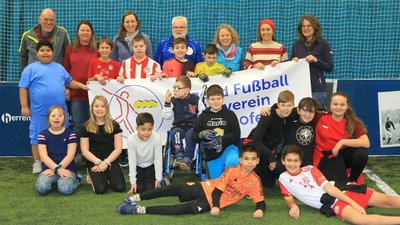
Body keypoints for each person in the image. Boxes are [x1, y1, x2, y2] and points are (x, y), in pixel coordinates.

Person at [116, 144, 265, 217]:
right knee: (175, 188)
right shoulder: (232, 170)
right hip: (205, 189)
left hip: (208, 203)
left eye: (253, 159)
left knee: (180, 210)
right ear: (240, 160)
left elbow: (260, 201)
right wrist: (217, 206)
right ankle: (136, 197)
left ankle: (138, 209)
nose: (249, 162)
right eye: (246, 159)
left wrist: (259, 210)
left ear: (258, 161)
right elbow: (218, 190)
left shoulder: (255, 181)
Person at [279, 145, 400, 225]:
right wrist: (293, 206)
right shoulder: (283, 178)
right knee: (360, 220)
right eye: (289, 160)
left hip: (344, 190)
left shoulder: (310, 169)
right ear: (283, 160)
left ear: (300, 161)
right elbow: (288, 196)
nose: (292, 164)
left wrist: (354, 204)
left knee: (387, 200)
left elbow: (331, 189)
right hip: (333, 203)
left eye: (295, 160)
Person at [19, 40, 88, 174]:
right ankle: (38, 162)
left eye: (48, 50)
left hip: (60, 111)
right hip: (39, 111)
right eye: (42, 50)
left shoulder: (59, 67)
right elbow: (23, 88)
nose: (45, 53)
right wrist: (24, 106)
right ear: (37, 53)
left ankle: (64, 162)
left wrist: (81, 86)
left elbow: (69, 82)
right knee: (36, 136)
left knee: (64, 136)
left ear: (53, 52)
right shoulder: (30, 69)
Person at [314, 92, 369, 184]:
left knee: (361, 152)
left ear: (347, 106)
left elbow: (366, 142)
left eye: (342, 104)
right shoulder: (320, 117)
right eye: (335, 104)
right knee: (333, 185)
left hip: (341, 156)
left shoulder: (352, 122)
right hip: (324, 158)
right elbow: (304, 111)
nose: (338, 107)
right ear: (330, 106)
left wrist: (342, 142)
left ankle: (352, 181)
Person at [245, 90, 295, 188]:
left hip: (270, 151)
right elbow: (255, 141)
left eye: (289, 106)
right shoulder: (267, 115)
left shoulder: (292, 114)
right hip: (255, 149)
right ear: (278, 105)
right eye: (283, 105)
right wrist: (271, 156)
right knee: (257, 184)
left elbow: (307, 110)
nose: (286, 109)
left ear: (293, 105)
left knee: (270, 185)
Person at [63, 20, 98, 153]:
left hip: (94, 94)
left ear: (91, 33)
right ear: (78, 32)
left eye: (87, 30)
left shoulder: (97, 49)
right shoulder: (71, 48)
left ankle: (93, 153)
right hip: (76, 95)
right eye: (82, 30)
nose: (85, 33)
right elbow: (65, 70)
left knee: (94, 125)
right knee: (78, 125)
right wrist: (67, 87)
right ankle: (78, 154)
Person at [193, 84, 241, 179]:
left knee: (233, 161)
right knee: (216, 184)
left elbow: (236, 135)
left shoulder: (230, 114)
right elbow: (194, 136)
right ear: (207, 100)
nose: (216, 102)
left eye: (218, 98)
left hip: (228, 149)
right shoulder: (202, 117)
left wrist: (220, 139)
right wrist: (202, 134)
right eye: (212, 99)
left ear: (223, 99)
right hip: (211, 154)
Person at [80, 95, 126, 194]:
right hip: (94, 162)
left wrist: (106, 162)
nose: (99, 109)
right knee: (100, 189)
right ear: (92, 108)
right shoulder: (86, 127)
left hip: (110, 161)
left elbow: (118, 148)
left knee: (120, 187)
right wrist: (98, 162)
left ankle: (109, 175)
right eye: (96, 106)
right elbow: (84, 150)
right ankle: (92, 176)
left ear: (107, 108)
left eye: (102, 106)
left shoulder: (114, 125)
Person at [162, 76, 205, 170]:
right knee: (176, 132)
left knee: (191, 134)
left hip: (192, 127)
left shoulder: (196, 99)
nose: (174, 90)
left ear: (187, 90)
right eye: (174, 87)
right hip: (179, 126)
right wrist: (167, 102)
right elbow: (167, 116)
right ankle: (179, 157)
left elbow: (202, 113)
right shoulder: (172, 100)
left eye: (178, 88)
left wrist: (199, 124)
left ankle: (187, 159)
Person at [291, 14, 333, 109]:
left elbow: (329, 67)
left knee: (317, 118)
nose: (305, 28)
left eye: (309, 26)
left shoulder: (323, 44)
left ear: (315, 27)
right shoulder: (297, 44)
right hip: (300, 88)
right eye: (303, 26)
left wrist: (315, 60)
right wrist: (293, 62)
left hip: (317, 90)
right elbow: (291, 66)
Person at [35, 106, 80, 195]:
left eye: (60, 116)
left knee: (65, 189)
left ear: (64, 118)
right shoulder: (42, 134)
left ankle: (77, 179)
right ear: (48, 118)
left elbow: (70, 155)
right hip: (49, 169)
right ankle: (55, 182)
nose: (57, 118)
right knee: (41, 188)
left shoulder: (71, 134)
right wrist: (56, 169)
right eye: (53, 116)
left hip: (68, 169)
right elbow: (43, 157)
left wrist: (58, 169)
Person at [127, 113, 162, 193]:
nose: (147, 132)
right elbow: (132, 161)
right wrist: (133, 182)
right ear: (137, 128)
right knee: (139, 189)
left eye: (149, 129)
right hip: (138, 166)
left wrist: (158, 179)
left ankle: (161, 177)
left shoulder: (157, 138)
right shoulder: (131, 139)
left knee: (150, 189)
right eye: (143, 129)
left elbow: (158, 159)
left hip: (150, 165)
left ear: (153, 128)